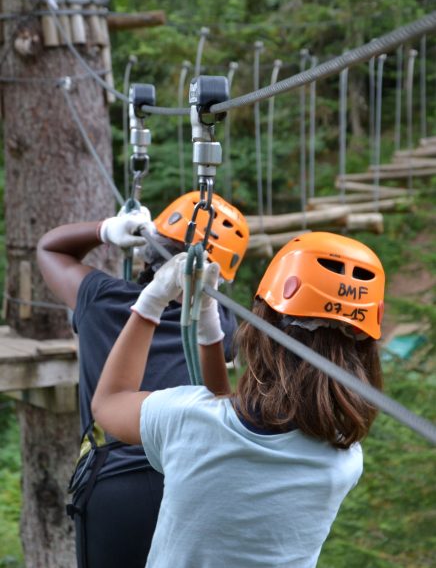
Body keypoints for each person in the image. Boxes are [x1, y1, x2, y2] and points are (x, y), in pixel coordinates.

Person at [92, 231, 385, 568]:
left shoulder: (184, 419)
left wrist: (152, 301)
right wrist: (209, 332)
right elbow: (228, 419)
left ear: (262, 325)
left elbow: (109, 403)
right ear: (365, 350)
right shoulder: (342, 462)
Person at [36, 191, 249, 568]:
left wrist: (105, 230)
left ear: (150, 250)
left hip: (114, 481)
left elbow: (50, 250)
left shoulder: (101, 299)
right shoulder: (223, 329)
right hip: (191, 483)